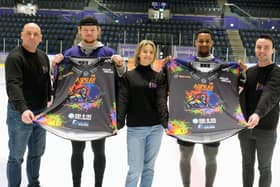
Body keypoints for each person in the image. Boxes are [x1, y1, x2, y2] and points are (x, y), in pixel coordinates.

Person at [51, 16, 125, 187]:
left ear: (98, 31)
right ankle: (76, 184)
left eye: (92, 29)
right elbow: (58, 80)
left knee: (99, 151)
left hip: (99, 113)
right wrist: (55, 64)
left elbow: (121, 77)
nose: (89, 32)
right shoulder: (70, 54)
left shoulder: (108, 53)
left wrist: (120, 65)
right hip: (75, 110)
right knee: (77, 151)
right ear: (79, 31)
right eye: (85, 29)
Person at [5, 23, 52, 187]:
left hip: (40, 114)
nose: (32, 37)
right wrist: (23, 109)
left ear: (40, 38)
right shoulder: (15, 57)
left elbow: (47, 81)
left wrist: (49, 99)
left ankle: (34, 183)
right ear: (22, 35)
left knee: (37, 153)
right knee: (16, 156)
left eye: (36, 34)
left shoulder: (43, 56)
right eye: (29, 33)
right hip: (20, 115)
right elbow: (13, 85)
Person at [117, 39, 169, 187]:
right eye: (145, 51)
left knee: (149, 168)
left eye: (151, 52)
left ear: (154, 56)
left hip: (155, 129)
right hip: (135, 129)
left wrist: (165, 123)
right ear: (139, 53)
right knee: (134, 169)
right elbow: (123, 101)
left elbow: (161, 101)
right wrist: (118, 123)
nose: (148, 54)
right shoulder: (128, 76)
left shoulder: (158, 77)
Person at [177, 29, 221, 187]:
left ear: (212, 43)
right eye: (200, 41)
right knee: (185, 156)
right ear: (195, 43)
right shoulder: (183, 66)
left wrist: (241, 73)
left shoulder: (221, 66)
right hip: (188, 120)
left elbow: (233, 90)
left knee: (211, 157)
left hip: (212, 120)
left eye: (207, 41)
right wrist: (166, 68)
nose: (203, 44)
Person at [238, 34, 280, 187]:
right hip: (245, 129)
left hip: (266, 130)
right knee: (247, 166)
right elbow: (241, 96)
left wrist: (258, 113)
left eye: (266, 48)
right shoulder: (250, 72)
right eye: (259, 47)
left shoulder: (276, 72)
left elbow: (270, 94)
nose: (262, 51)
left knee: (264, 167)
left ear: (273, 50)